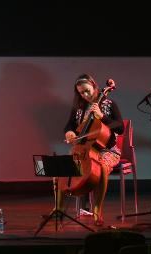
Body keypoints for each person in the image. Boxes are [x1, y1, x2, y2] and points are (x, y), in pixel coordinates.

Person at [59, 73, 124, 226]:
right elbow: (69, 126)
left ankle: (97, 211)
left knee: (100, 167)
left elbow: (120, 128)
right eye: (81, 92)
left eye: (87, 90)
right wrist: (69, 132)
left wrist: (102, 117)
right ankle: (58, 210)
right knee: (60, 168)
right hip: (84, 150)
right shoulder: (79, 108)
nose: (85, 95)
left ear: (94, 86)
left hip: (108, 150)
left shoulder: (109, 104)